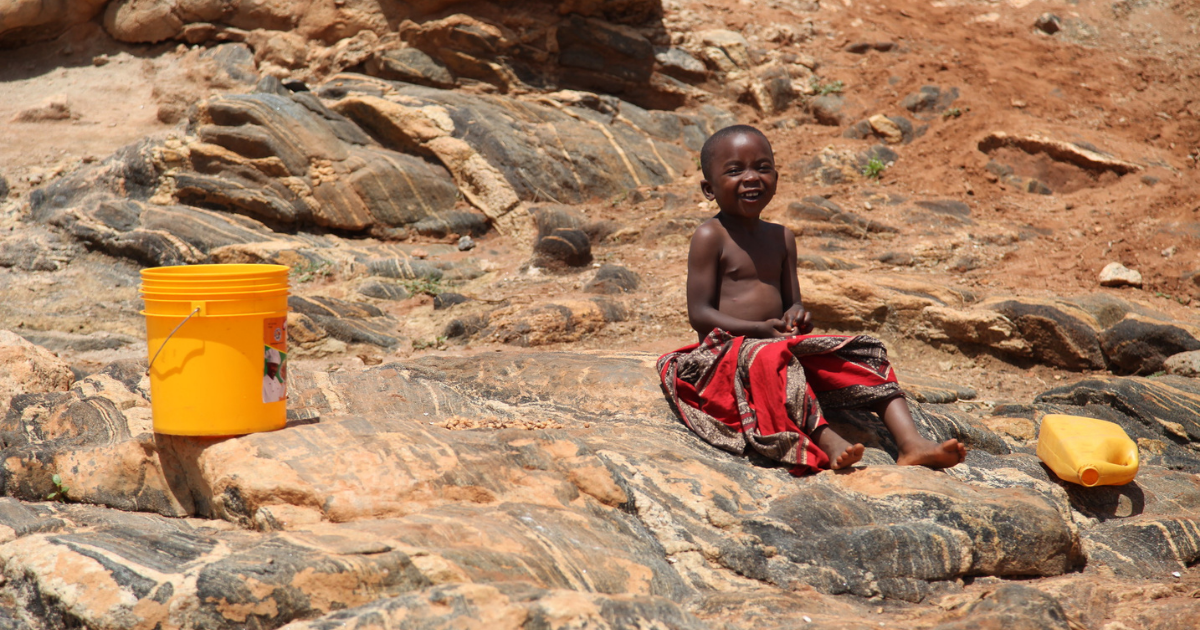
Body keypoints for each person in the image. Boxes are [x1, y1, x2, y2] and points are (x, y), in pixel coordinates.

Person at [657, 125, 966, 474]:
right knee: (770, 357)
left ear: (776, 175)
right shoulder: (710, 235)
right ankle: (826, 438)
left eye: (762, 167)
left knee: (866, 350)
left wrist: (796, 317)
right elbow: (699, 314)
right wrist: (758, 329)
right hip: (727, 353)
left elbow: (794, 304)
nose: (751, 178)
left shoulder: (782, 237)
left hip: (779, 344)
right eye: (734, 170)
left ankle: (911, 443)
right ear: (708, 189)